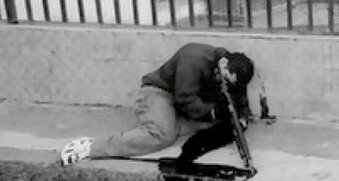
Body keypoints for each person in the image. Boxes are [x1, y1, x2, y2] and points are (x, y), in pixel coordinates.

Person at [60, 43, 254, 165]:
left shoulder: (234, 69)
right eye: (226, 78)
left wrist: (241, 117)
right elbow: (185, 100)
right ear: (223, 64)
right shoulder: (193, 58)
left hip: (185, 104)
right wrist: (213, 112)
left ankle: (168, 123)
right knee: (162, 136)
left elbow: (239, 97)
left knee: (220, 124)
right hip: (160, 94)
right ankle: (91, 147)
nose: (226, 83)